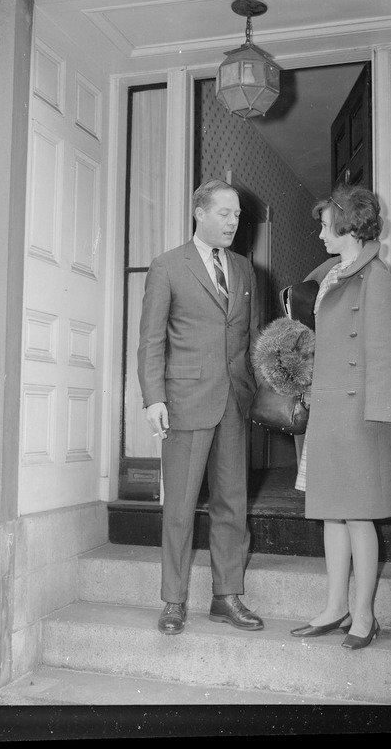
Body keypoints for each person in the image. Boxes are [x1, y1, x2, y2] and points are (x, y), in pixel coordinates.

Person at [137, 179, 264, 636]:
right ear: (200, 213)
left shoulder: (246, 271)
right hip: (186, 402)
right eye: (225, 213)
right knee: (181, 506)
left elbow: (251, 338)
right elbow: (150, 340)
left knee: (232, 503)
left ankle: (226, 596)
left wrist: (259, 391)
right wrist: (154, 397)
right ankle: (174, 600)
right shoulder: (167, 266)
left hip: (233, 402)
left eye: (237, 215)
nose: (234, 222)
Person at [290, 184, 391, 650]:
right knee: (331, 516)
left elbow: (387, 351)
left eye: (324, 225)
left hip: (359, 413)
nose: (319, 233)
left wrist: (379, 416)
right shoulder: (334, 274)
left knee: (358, 517)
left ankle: (364, 615)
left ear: (345, 225)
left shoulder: (375, 277)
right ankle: (335, 605)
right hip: (330, 408)